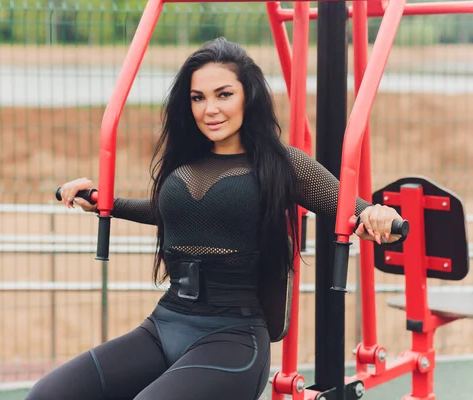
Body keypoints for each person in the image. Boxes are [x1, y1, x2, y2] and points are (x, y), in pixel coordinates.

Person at [26, 37, 403, 400]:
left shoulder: (280, 164)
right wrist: (106, 204)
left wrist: (378, 214)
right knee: (49, 394)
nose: (210, 109)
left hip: (235, 338)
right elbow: (170, 213)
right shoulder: (186, 160)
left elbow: (352, 210)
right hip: (166, 323)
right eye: (198, 98)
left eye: (224, 94)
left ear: (248, 96)